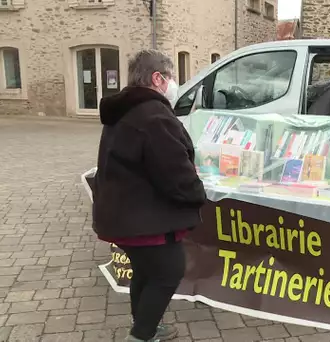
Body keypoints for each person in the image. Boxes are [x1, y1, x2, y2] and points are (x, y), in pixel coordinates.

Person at [92, 50, 207, 342]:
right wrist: (197, 192)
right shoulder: (153, 115)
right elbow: (174, 174)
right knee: (168, 272)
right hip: (143, 218)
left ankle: (146, 324)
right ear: (157, 78)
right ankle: (141, 335)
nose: (173, 83)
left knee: (145, 271)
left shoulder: (126, 110)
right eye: (171, 77)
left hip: (122, 214)